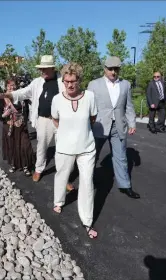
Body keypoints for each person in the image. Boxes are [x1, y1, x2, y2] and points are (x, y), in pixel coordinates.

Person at [0, 55, 74, 191]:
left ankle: (65, 178)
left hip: (61, 121)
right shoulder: (37, 82)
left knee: (63, 151)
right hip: (44, 120)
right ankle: (39, 169)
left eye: (44, 69)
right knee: (41, 147)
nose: (42, 71)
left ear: (52, 68)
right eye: (41, 69)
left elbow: (71, 95)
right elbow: (23, 92)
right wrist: (5, 95)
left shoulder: (62, 81)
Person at [51, 62, 98, 239]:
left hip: (87, 148)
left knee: (87, 182)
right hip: (64, 147)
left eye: (73, 81)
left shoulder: (90, 97)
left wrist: (81, 132)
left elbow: (93, 118)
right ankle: (58, 201)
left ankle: (87, 221)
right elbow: (55, 119)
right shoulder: (57, 99)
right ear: (63, 81)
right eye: (66, 81)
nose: (70, 84)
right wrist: (65, 133)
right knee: (61, 175)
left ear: (79, 80)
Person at [88, 56, 140, 199]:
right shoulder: (94, 84)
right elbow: (88, 105)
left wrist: (132, 123)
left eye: (116, 69)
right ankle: (88, 181)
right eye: (110, 69)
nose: (113, 72)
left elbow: (129, 106)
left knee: (121, 156)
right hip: (99, 125)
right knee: (93, 155)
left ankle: (125, 185)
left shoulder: (125, 85)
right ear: (104, 69)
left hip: (119, 125)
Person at [0, 78, 34, 176]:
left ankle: (26, 166)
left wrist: (25, 119)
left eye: (14, 85)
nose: (12, 87)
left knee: (25, 146)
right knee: (13, 147)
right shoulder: (3, 99)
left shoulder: (20, 96)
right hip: (9, 127)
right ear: (6, 87)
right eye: (10, 85)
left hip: (21, 126)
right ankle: (14, 164)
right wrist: (4, 115)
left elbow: (26, 110)